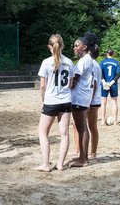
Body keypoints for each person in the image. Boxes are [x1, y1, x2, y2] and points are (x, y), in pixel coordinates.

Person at [33, 34, 74, 172]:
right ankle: (60, 164)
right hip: (66, 100)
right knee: (64, 134)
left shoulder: (46, 62)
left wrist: (43, 100)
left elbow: (42, 86)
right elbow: (70, 83)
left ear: (49, 47)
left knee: (43, 132)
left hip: (51, 100)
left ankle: (45, 164)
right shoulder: (69, 62)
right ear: (62, 45)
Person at [70, 32, 98, 167]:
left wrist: (67, 87)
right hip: (84, 96)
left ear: (85, 46)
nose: (74, 48)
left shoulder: (83, 60)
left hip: (79, 97)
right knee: (82, 128)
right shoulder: (90, 59)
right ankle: (83, 156)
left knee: (81, 128)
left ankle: (83, 159)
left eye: (77, 45)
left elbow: (74, 78)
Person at [100, 49, 120, 126]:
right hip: (113, 84)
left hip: (104, 84)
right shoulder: (116, 62)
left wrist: (104, 82)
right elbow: (118, 74)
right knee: (114, 102)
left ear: (107, 54)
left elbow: (100, 72)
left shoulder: (103, 62)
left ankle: (102, 121)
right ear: (113, 54)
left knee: (103, 103)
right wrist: (111, 82)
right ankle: (115, 121)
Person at [87, 45, 101, 160]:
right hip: (91, 100)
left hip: (91, 101)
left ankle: (93, 152)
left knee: (91, 126)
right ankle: (80, 149)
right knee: (90, 126)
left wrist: (88, 102)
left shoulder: (92, 64)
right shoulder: (94, 63)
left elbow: (94, 85)